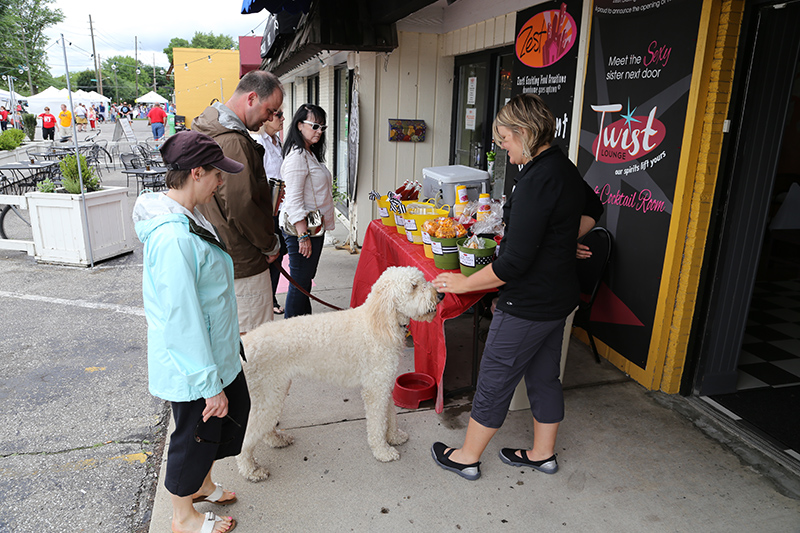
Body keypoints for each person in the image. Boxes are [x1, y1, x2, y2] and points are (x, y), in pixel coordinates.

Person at [430, 94, 603, 481]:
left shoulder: (535, 181)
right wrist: (560, 240)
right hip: (558, 300)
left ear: (524, 132)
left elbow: (511, 264)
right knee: (544, 376)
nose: (502, 147)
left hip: (527, 303)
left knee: (495, 377)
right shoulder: (563, 167)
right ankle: (542, 454)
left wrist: (465, 282)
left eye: (505, 139)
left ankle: (466, 457)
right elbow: (595, 207)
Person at [132, 130, 250, 533]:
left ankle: (202, 484)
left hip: (214, 352)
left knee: (229, 416)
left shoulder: (190, 212)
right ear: (196, 172)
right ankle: (183, 516)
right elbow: (180, 318)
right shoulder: (173, 238)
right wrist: (207, 384)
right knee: (195, 434)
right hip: (193, 364)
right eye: (218, 174)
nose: (222, 182)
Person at [193, 70, 284, 334]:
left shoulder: (211, 126)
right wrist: (270, 245)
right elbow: (241, 205)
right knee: (255, 345)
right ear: (252, 98)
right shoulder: (232, 140)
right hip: (243, 261)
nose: (270, 118)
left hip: (223, 254)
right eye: (271, 110)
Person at [279, 103, 336, 318]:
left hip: (313, 229)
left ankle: (304, 327)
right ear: (300, 125)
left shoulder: (308, 153)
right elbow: (293, 200)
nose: (319, 131)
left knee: (304, 282)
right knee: (299, 283)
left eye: (323, 127)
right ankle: (289, 333)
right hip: (302, 231)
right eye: (315, 126)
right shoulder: (296, 156)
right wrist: (303, 235)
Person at [255, 109, 288, 315]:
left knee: (279, 253)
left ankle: (271, 297)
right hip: (268, 209)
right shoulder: (260, 144)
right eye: (278, 114)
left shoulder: (278, 142)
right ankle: (267, 300)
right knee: (270, 254)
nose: (282, 118)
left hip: (282, 208)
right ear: (266, 118)